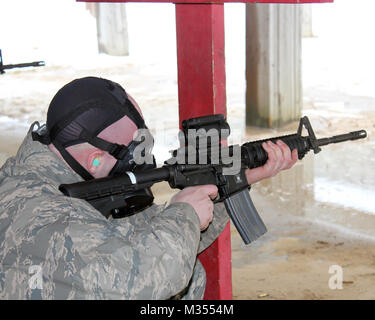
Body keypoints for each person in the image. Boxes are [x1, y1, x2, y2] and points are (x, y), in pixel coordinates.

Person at [0, 77, 298, 299]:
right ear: (94, 159)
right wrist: (184, 213)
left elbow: (137, 233)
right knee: (183, 283)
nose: (138, 161)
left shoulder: (52, 174)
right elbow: (145, 279)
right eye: (130, 152)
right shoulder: (42, 214)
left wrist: (234, 180)